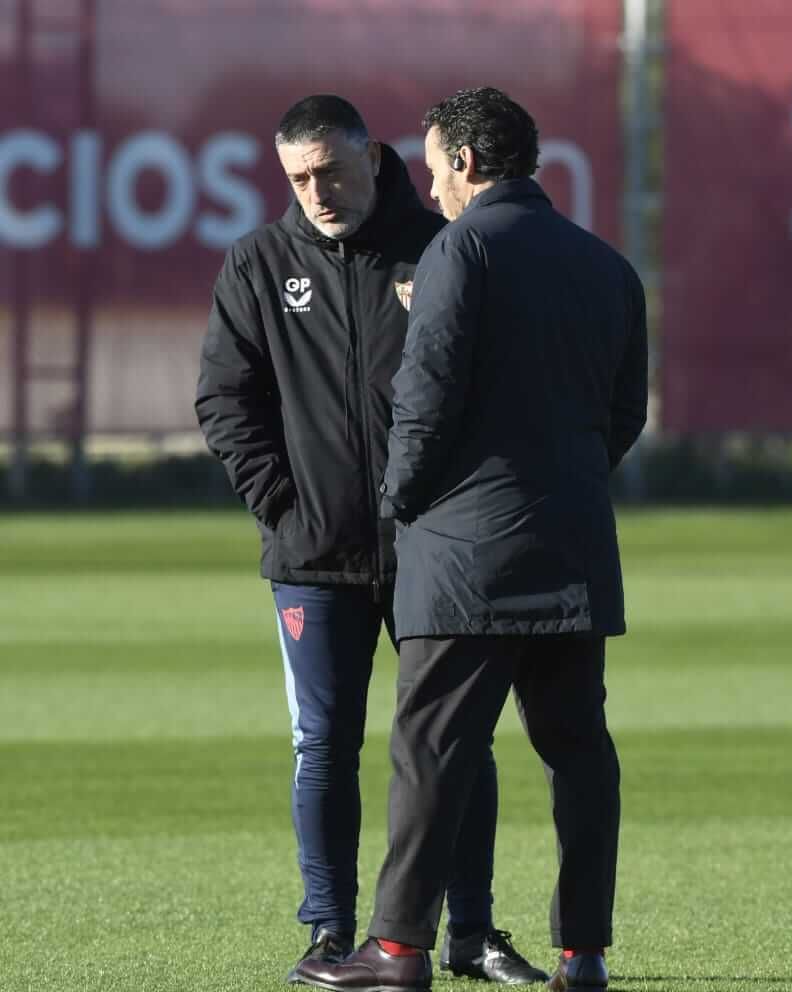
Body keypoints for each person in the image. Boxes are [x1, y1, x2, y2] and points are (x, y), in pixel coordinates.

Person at [293, 87, 648, 992]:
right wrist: (560, 485)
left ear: (463, 162)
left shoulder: (461, 250)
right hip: (571, 545)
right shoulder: (607, 265)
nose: (437, 185)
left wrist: (401, 499)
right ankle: (585, 952)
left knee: (432, 747)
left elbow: (427, 396)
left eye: (438, 164)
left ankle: (399, 948)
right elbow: (624, 415)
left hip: (464, 554)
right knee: (578, 752)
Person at [195, 94, 547, 986]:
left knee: (456, 745)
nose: (318, 192)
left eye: (331, 171)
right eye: (299, 178)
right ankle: (328, 929)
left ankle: (470, 930)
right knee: (324, 746)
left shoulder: (441, 250)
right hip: (313, 558)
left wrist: (453, 512)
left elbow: (491, 393)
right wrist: (283, 505)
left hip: (435, 552)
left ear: (374, 157)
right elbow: (225, 403)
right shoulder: (259, 265)